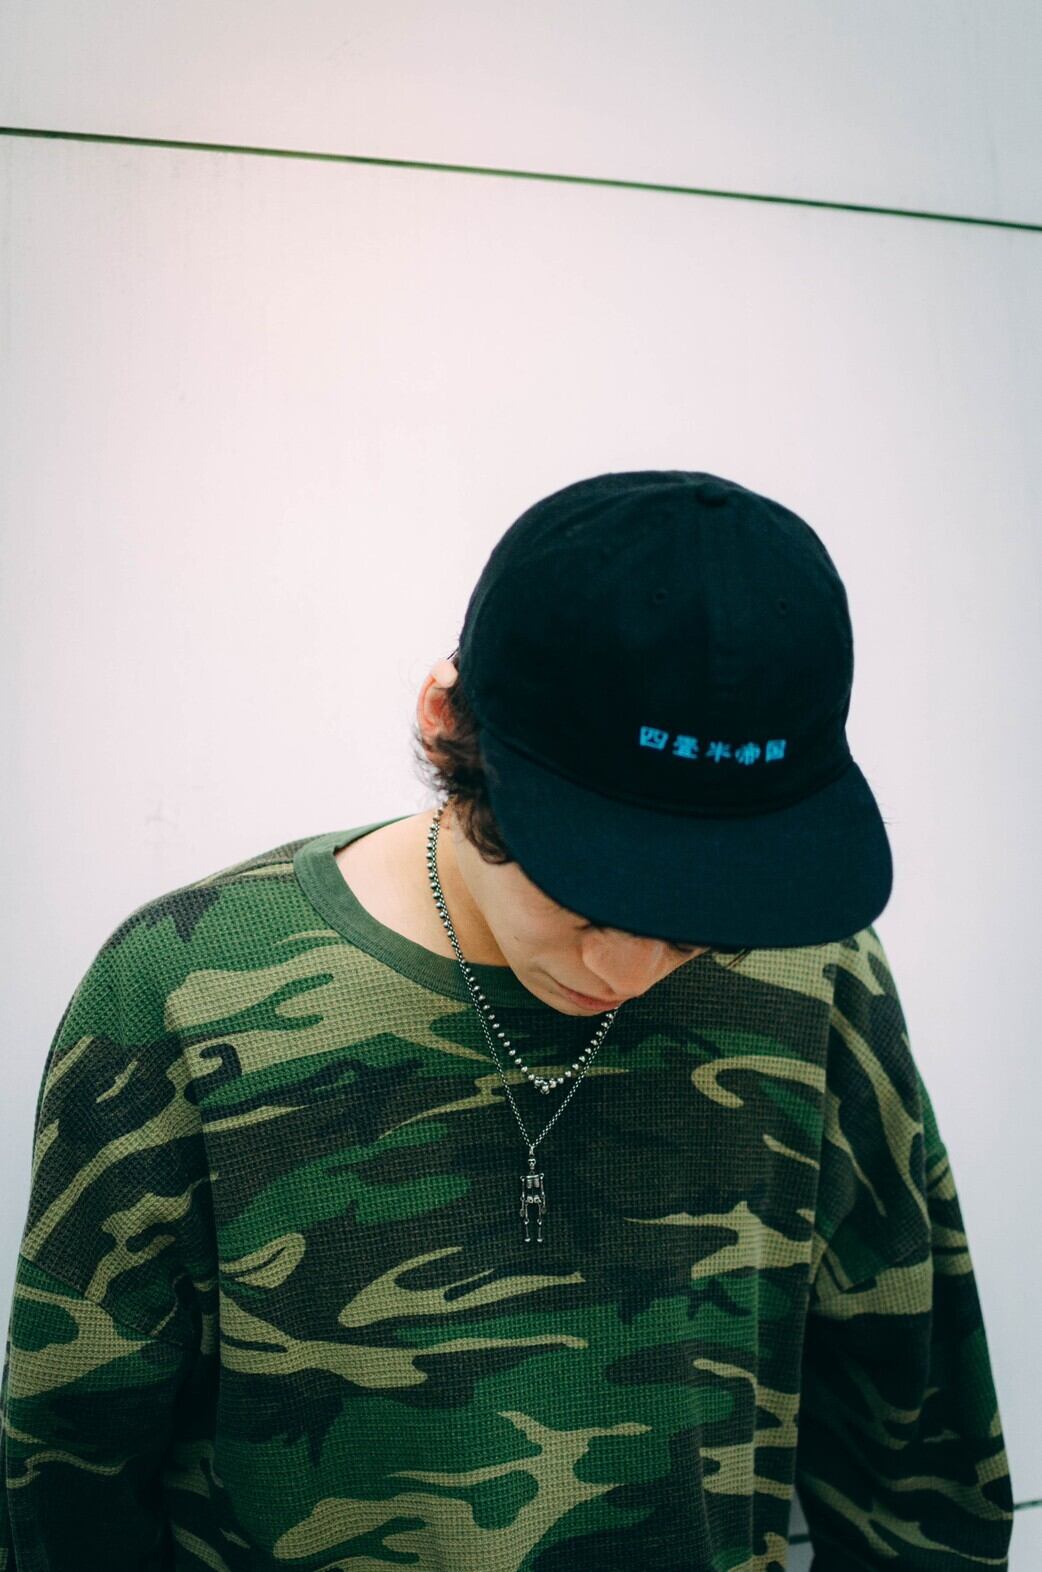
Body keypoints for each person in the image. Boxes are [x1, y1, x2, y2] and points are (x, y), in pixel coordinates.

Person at [0, 471, 1014, 1568]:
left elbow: (915, 1437)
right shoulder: (189, 985)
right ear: (447, 719)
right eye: (585, 890)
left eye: (700, 922)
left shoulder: (815, 973)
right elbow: (70, 1467)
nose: (627, 968)